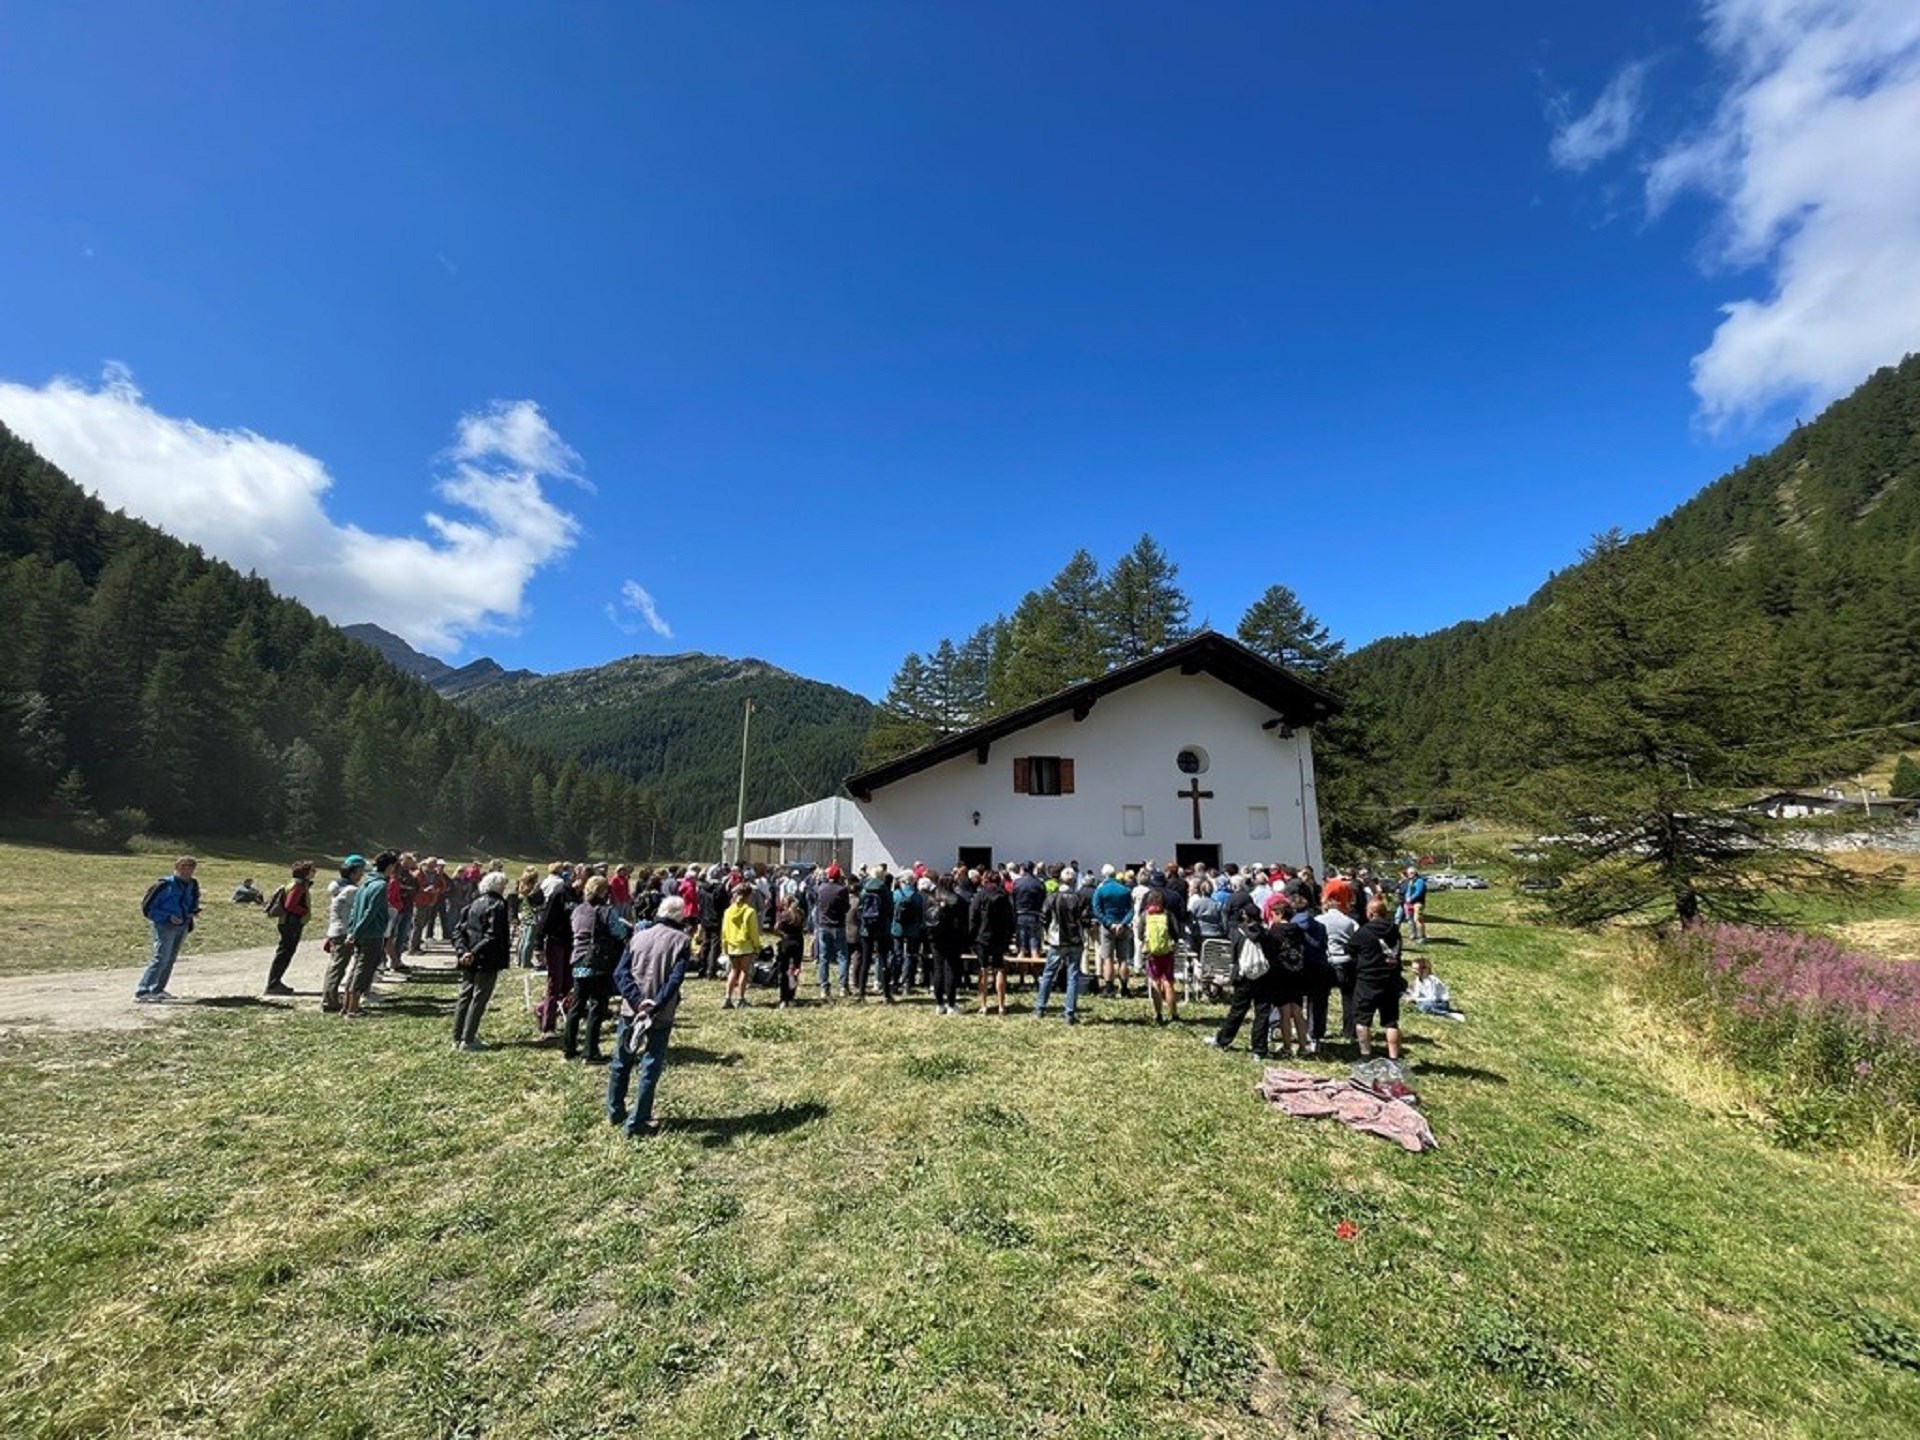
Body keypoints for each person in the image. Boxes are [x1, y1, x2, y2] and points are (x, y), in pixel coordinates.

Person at [608, 894, 693, 1138]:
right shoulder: (682, 941)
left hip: (631, 1010)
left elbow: (620, 973)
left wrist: (636, 1000)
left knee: (621, 1060)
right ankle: (638, 1119)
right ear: (680, 916)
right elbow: (674, 980)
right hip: (660, 1012)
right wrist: (654, 1005)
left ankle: (615, 1110)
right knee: (650, 1064)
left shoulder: (638, 936)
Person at [566, 875, 628, 1060]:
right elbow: (619, 932)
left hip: (578, 959)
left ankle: (569, 1047)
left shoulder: (578, 909)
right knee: (597, 1005)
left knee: (577, 1005)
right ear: (603, 891)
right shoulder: (606, 911)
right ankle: (590, 1051)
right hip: (598, 962)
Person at [451, 869, 512, 1051]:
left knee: (465, 996)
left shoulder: (473, 904)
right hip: (487, 957)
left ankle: (457, 1037)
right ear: (499, 887)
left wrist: (463, 952)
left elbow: (458, 932)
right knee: (479, 997)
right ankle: (469, 1039)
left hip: (469, 957)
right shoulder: (498, 906)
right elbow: (493, 935)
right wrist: (473, 952)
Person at [135, 856, 201, 1003]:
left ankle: (158, 989)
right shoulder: (164, 885)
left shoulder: (193, 884)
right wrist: (167, 917)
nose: (187, 870)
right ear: (176, 867)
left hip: (182, 925)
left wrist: (192, 911)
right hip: (164, 925)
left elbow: (193, 900)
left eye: (190, 867)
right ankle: (143, 990)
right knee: (161, 957)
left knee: (171, 958)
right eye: (183, 866)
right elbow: (147, 908)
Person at [1349, 898, 1406, 1061]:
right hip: (1391, 980)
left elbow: (1350, 948)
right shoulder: (1394, 930)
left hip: (1368, 981)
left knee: (1362, 1020)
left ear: (1371, 913)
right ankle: (1394, 1058)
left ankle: (1366, 1056)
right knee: (1391, 1022)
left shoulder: (1364, 931)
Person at [342, 852, 397, 1018]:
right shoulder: (380, 885)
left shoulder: (365, 882)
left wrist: (352, 931)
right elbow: (370, 912)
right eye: (394, 866)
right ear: (389, 867)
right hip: (371, 933)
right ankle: (353, 1008)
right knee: (363, 970)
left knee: (356, 968)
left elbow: (354, 911)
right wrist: (357, 931)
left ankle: (346, 1006)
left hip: (360, 932)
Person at [1035, 868, 1088, 1024]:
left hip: (1057, 941)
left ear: (1060, 881)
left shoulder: (1052, 898)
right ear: (1074, 882)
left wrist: (1048, 932)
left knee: (1048, 974)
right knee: (1073, 977)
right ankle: (1069, 1013)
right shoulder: (1080, 899)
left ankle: (1040, 1008)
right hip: (1075, 941)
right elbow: (1085, 921)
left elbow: (1043, 917)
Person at [534, 869, 576, 1037]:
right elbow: (545, 920)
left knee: (568, 984)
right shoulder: (559, 894)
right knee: (555, 985)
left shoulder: (580, 898)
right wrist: (538, 944)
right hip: (555, 942)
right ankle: (548, 1027)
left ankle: (542, 1009)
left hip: (571, 943)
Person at [263, 861, 315, 996]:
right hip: (291, 923)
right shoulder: (298, 885)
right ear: (306, 873)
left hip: (287, 922)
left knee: (284, 953)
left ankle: (274, 983)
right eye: (312, 870)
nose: (314, 872)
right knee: (284, 954)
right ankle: (273, 984)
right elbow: (290, 905)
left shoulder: (293, 883)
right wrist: (304, 911)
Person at [971, 871, 1014, 1015]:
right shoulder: (1004, 897)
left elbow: (973, 918)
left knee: (983, 969)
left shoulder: (980, 896)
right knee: (999, 969)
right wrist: (1009, 936)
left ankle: (983, 1006)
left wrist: (972, 937)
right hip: (1000, 937)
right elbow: (1010, 918)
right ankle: (1001, 1005)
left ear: (986, 881)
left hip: (983, 937)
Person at [1320, 892, 1361, 1044]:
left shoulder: (1319, 920)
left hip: (1327, 961)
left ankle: (1319, 1029)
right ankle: (1350, 1031)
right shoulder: (1350, 922)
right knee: (1349, 997)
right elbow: (1357, 940)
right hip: (1346, 961)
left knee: (1321, 998)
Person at [1091, 865, 1134, 999]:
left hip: (1107, 927)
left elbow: (1096, 910)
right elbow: (1131, 910)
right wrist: (1123, 923)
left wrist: (1109, 923)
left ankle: (1109, 988)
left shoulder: (1100, 890)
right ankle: (1124, 988)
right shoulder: (1125, 890)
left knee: (1107, 958)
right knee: (1123, 959)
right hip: (1123, 927)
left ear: (1104, 875)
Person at [925, 878, 966, 1015]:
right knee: (951, 970)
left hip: (935, 938)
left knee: (938, 969)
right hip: (953, 938)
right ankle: (951, 1004)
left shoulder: (931, 899)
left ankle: (939, 1003)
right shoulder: (957, 900)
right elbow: (963, 922)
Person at [721, 883, 762, 1011]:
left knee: (733, 971)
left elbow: (724, 930)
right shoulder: (750, 911)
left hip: (732, 945)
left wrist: (725, 945)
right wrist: (757, 946)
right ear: (749, 896)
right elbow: (753, 931)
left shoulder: (728, 911)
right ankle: (740, 999)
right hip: (745, 945)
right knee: (744, 972)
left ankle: (727, 998)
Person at [813, 863, 851, 1000]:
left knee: (823, 957)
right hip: (838, 925)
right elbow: (846, 907)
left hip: (823, 925)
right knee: (843, 956)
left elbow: (817, 904)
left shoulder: (820, 889)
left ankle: (824, 987)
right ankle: (843, 986)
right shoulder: (842, 890)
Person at [1140, 893, 1179, 1026]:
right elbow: (1176, 933)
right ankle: (1174, 1014)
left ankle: (1158, 1014)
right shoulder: (1167, 914)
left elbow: (1139, 934)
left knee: (1155, 982)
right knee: (1168, 982)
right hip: (1167, 952)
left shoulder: (1145, 915)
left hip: (1152, 953)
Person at [855, 866, 894, 999]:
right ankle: (887, 994)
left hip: (867, 928)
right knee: (884, 960)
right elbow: (890, 908)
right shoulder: (885, 890)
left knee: (865, 960)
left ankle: (861, 992)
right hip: (883, 928)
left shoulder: (865, 889)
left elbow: (860, 907)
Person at [1010, 863, 1047, 963]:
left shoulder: (1017, 882)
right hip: (1035, 914)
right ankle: (1035, 965)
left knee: (1021, 942)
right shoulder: (1039, 883)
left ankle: (1021, 969)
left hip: (1020, 914)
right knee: (1034, 941)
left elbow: (1013, 899)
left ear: (1023, 869)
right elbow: (1044, 899)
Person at [774, 893, 806, 1008]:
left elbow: (776, 928)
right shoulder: (800, 913)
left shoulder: (783, 915)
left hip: (786, 941)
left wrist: (781, 934)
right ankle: (792, 995)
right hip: (798, 941)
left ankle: (784, 998)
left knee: (784, 971)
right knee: (795, 969)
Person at [1411, 955, 1465, 1019]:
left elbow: (1433, 998)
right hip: (1429, 1001)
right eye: (1413, 968)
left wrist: (1416, 1000)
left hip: (1440, 1002)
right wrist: (1412, 998)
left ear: (1425, 969)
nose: (1413, 970)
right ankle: (1441, 1011)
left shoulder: (1431, 980)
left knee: (1423, 1007)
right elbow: (1417, 993)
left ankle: (1448, 1014)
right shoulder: (1418, 979)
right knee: (1420, 1005)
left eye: (1416, 969)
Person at [1401, 866, 1429, 947]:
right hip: (1410, 903)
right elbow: (1408, 891)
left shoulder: (1420, 881)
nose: (1408, 875)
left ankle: (1422, 937)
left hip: (1418, 903)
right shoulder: (1411, 881)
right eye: (1408, 873)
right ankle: (1415, 935)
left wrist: (1410, 898)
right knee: (1412, 919)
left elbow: (1418, 892)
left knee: (1417, 919)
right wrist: (1406, 898)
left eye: (1410, 873)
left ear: (1414, 873)